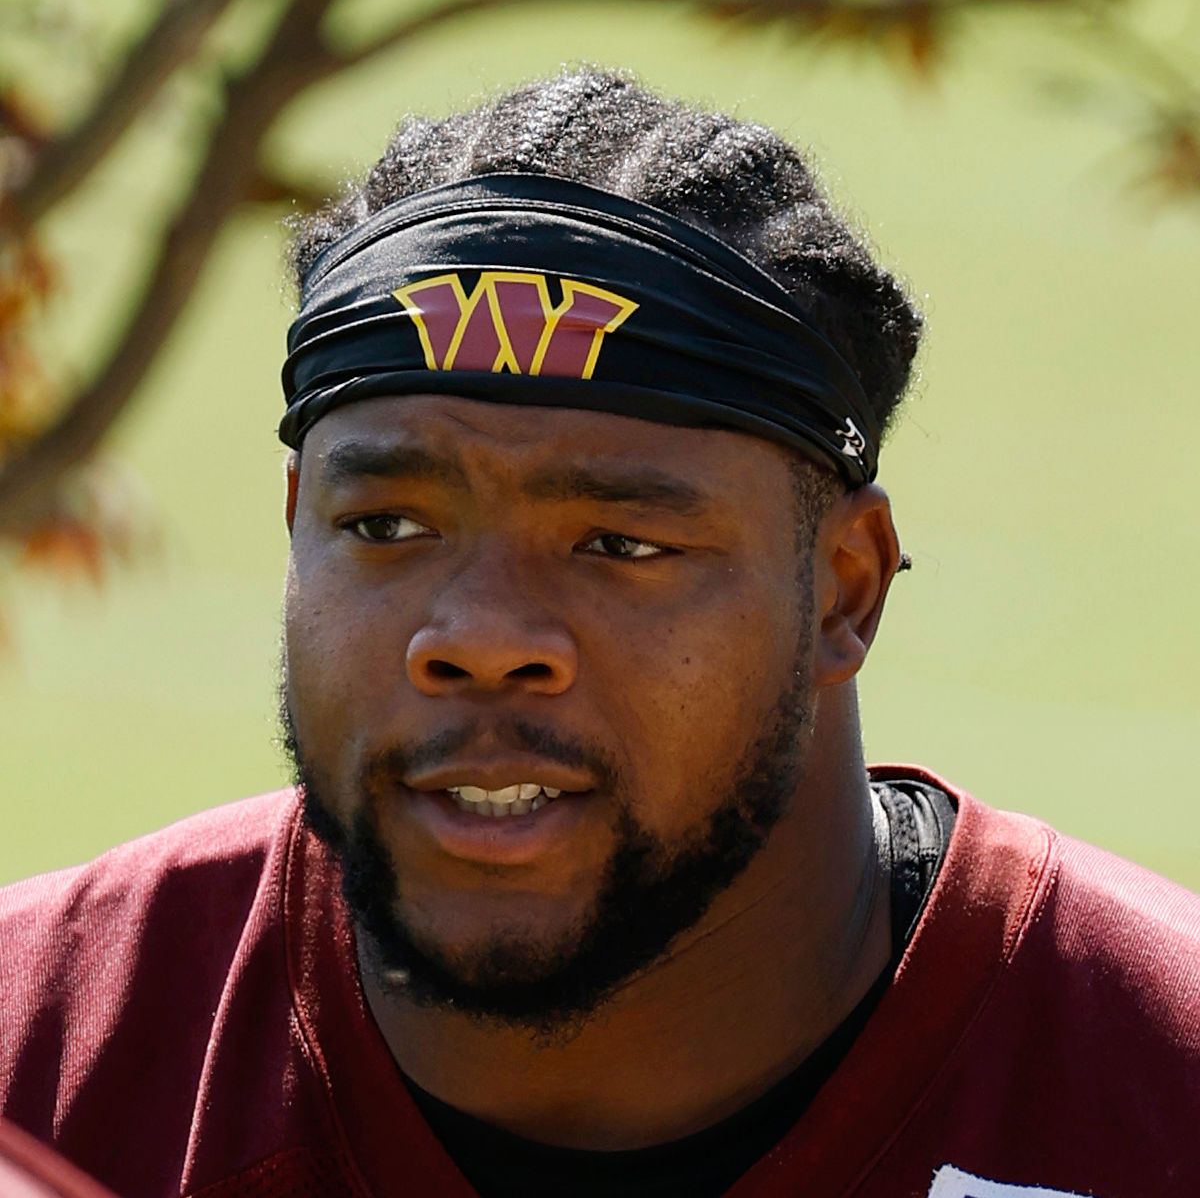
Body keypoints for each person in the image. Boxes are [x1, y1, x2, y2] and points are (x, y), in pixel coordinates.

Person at [1, 67, 1197, 1198]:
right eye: (387, 524)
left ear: (844, 588)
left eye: (621, 544)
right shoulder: (36, 1059)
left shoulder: (1157, 1083)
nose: (477, 636)